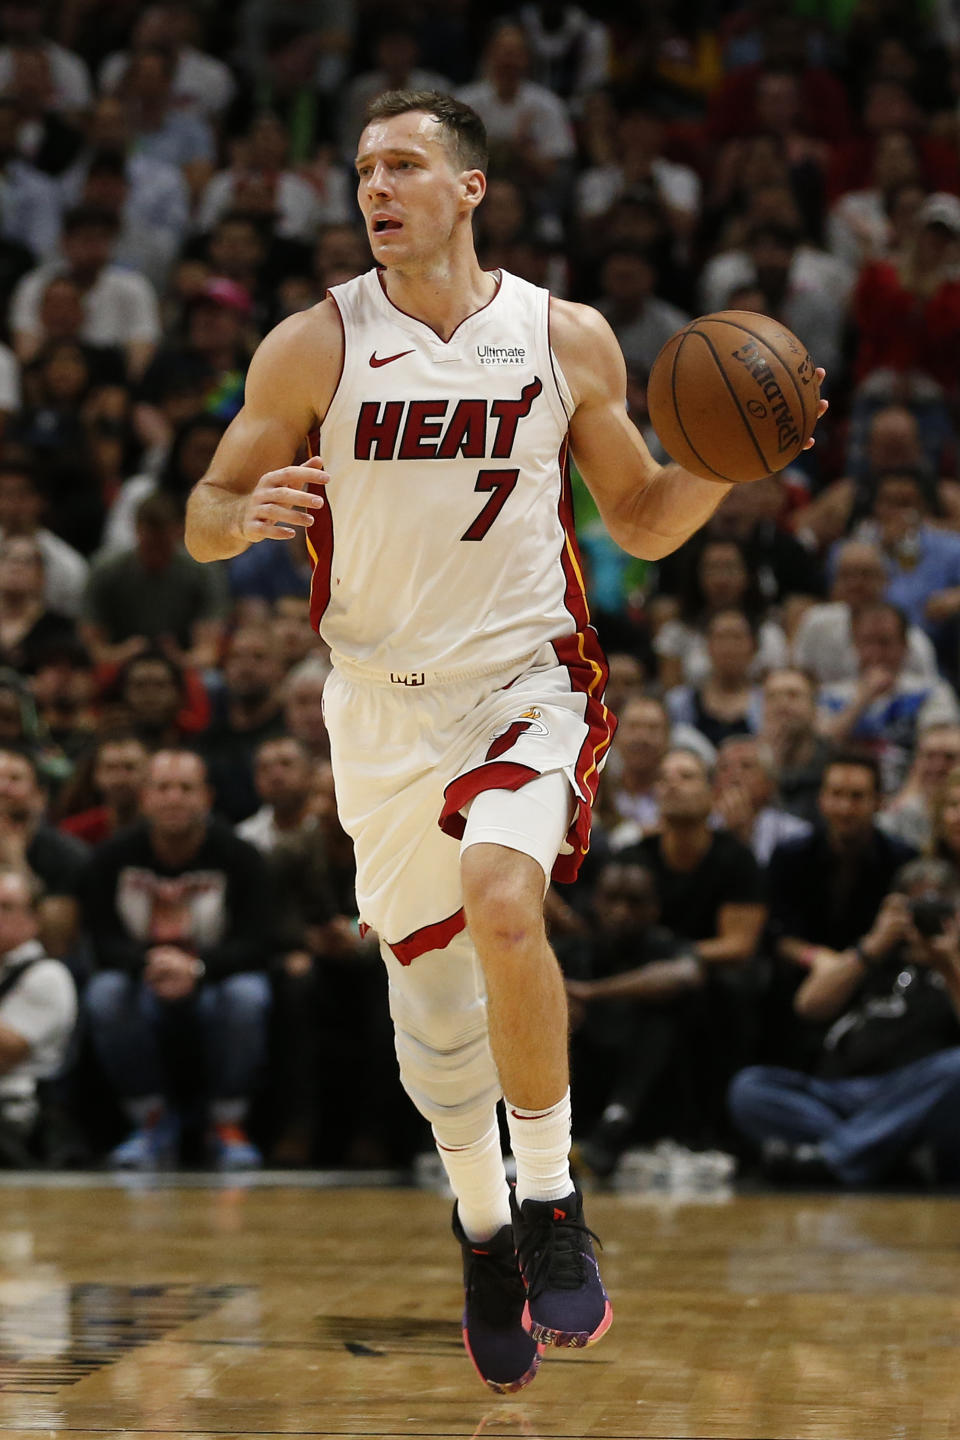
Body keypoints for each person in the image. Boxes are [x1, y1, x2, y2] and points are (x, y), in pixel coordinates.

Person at [183, 90, 826, 1393]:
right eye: (365, 167)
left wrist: (728, 459)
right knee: (428, 1014)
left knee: (504, 901)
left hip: (524, 682)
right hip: (376, 705)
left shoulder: (562, 336)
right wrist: (237, 512)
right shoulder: (313, 347)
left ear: (469, 188)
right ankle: (481, 1227)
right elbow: (202, 509)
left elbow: (641, 518)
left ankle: (550, 1198)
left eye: (406, 164)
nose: (378, 184)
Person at [80, 748, 274, 1170]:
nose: (173, 798)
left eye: (185, 788)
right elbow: (102, 940)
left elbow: (257, 941)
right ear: (145, 797)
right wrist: (151, 964)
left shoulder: (240, 856)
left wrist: (197, 968)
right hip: (142, 978)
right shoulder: (112, 857)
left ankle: (227, 1123)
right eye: (162, 788)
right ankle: (149, 1120)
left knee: (248, 996)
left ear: (206, 797)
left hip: (217, 978)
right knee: (104, 993)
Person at [729, 857, 960, 1187]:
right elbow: (808, 1005)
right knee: (749, 1087)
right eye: (913, 905)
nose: (922, 916)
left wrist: (949, 963)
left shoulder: (955, 968)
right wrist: (873, 945)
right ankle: (879, 1153)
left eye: (936, 904)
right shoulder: (873, 957)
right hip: (838, 1095)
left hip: (915, 1093)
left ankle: (839, 1158)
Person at [0, 865, 77, 1166]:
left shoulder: (47, 975)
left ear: (33, 920)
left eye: (5, 907)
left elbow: (9, 1050)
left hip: (15, 1114)